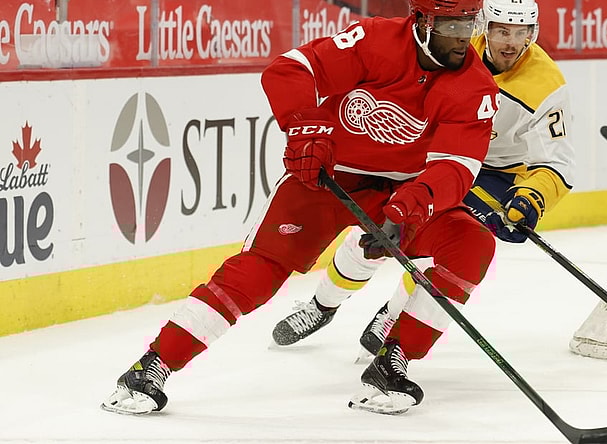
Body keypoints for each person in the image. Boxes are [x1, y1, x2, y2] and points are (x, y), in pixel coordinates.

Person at [101, 0, 499, 416]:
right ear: (421, 22)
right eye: (452, 24)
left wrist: (408, 209)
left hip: (399, 192)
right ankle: (153, 365)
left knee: (471, 243)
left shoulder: (474, 85)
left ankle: (391, 362)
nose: (463, 36)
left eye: (470, 24)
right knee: (259, 271)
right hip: (326, 179)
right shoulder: (376, 40)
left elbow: (456, 167)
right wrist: (307, 128)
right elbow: (291, 69)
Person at [271, 0, 576, 362]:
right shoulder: (451, 45)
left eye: (521, 33)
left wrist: (531, 197)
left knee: (447, 247)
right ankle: (323, 305)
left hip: (494, 173)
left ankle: (394, 313)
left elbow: (555, 162)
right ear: (485, 27)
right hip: (433, 159)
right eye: (502, 31)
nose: (510, 43)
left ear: (533, 33)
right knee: (379, 230)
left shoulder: (546, 85)